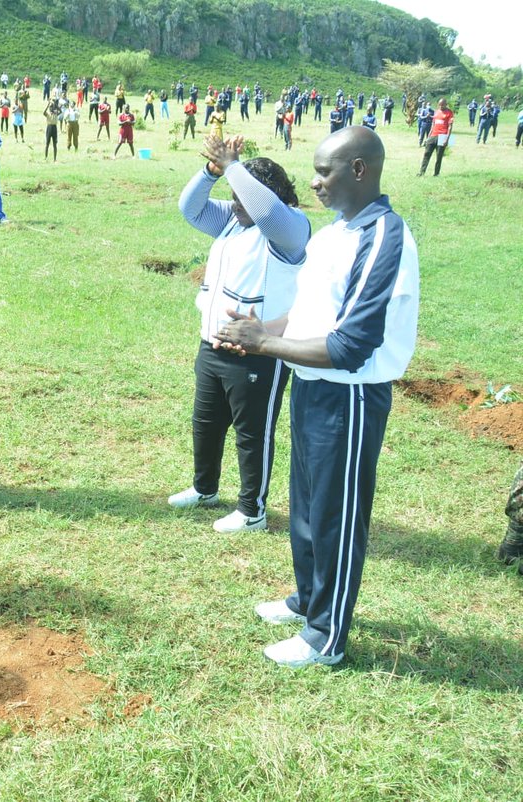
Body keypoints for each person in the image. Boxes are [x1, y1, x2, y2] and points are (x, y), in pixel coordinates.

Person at [216, 126, 419, 667]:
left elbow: (353, 344)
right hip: (311, 387)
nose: (314, 181)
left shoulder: (384, 237)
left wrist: (269, 343)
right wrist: (260, 330)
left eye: (324, 171)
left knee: (336, 514)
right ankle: (307, 600)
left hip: (349, 398)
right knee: (305, 506)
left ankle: (326, 637)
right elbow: (308, 317)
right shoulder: (334, 234)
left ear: (360, 170)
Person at [171, 135, 309, 533]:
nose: (235, 203)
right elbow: (190, 209)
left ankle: (252, 511)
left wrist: (234, 166)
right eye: (232, 194)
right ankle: (205, 489)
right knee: (206, 422)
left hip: (258, 352)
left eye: (241, 194)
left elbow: (267, 210)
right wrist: (211, 171)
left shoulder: (289, 229)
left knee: (252, 434)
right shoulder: (236, 218)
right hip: (212, 343)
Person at [418, 98, 454, 177]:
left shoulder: (449, 112)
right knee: (426, 154)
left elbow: (450, 127)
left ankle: (436, 173)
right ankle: (421, 172)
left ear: (446, 104)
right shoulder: (436, 112)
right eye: (439, 105)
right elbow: (433, 125)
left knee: (439, 156)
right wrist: (428, 137)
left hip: (443, 136)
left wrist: (447, 139)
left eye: (442, 105)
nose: (441, 106)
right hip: (433, 135)